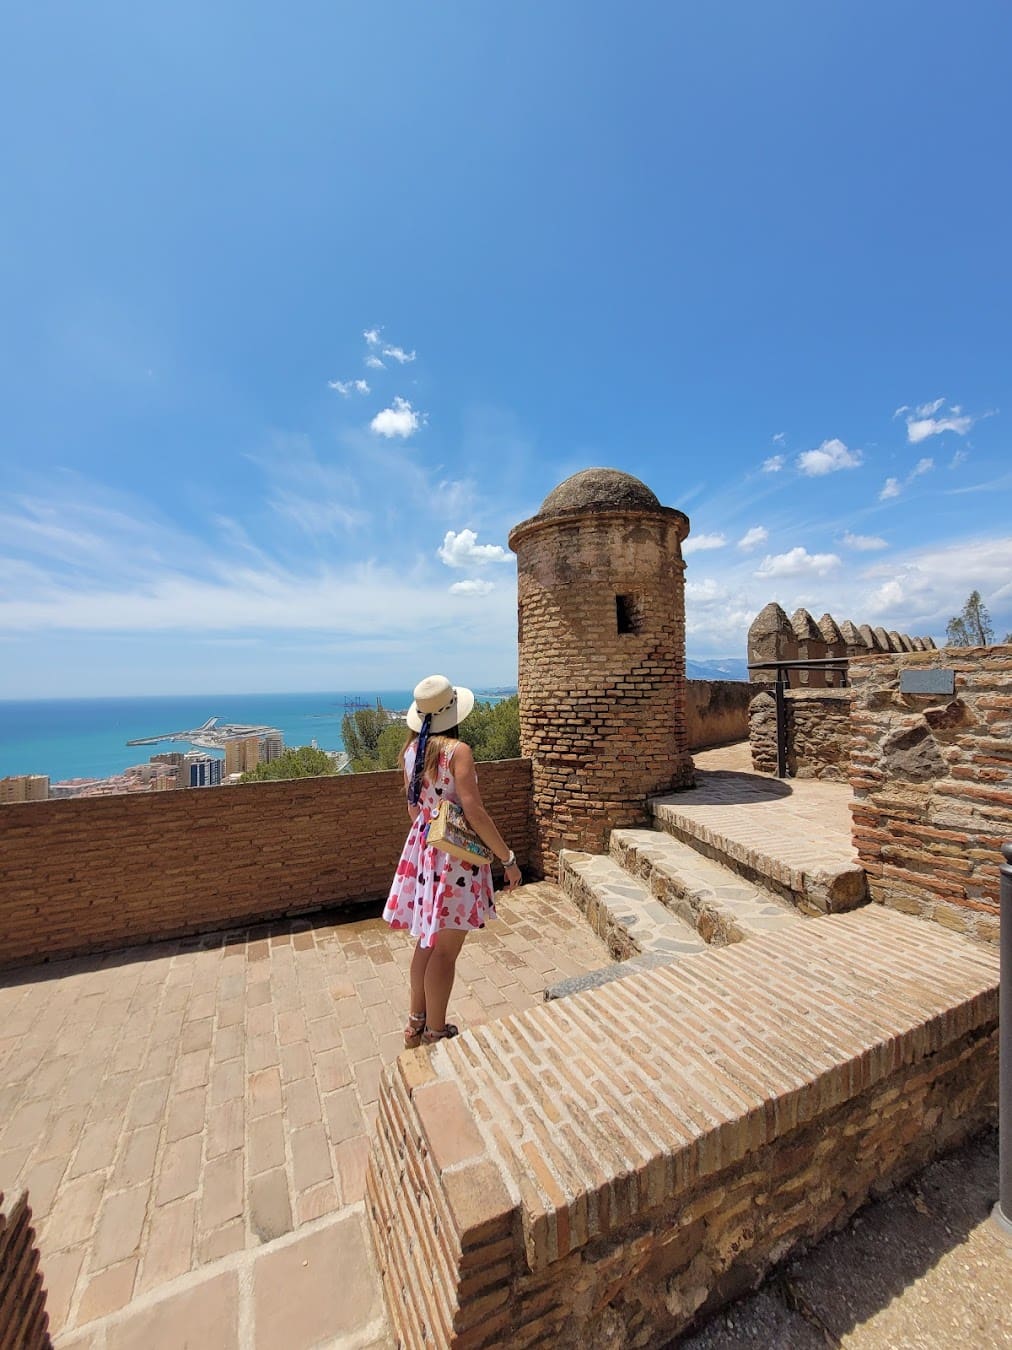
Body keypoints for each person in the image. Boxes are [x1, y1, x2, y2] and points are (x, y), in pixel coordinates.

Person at [383, 674, 522, 1047]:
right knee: (446, 951)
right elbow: (474, 811)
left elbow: (415, 810)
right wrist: (506, 859)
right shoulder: (457, 751)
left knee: (426, 943)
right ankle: (436, 1031)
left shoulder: (412, 752)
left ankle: (416, 1023)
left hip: (424, 853)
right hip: (454, 861)